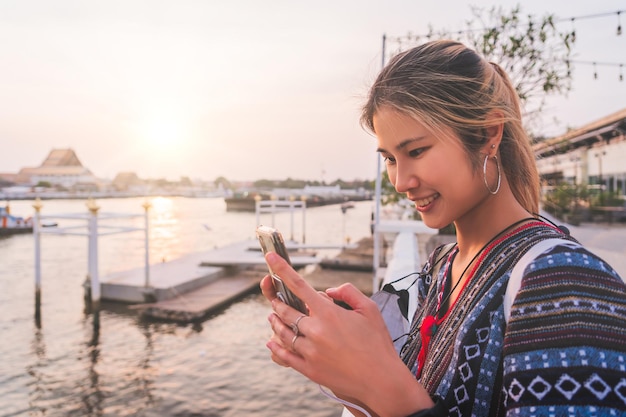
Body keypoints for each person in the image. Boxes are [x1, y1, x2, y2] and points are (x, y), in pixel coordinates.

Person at [260, 40, 626, 417]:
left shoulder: (564, 282)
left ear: (488, 134)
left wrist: (377, 378)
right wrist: (345, 370)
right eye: (389, 159)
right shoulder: (441, 268)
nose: (400, 181)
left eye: (416, 151)